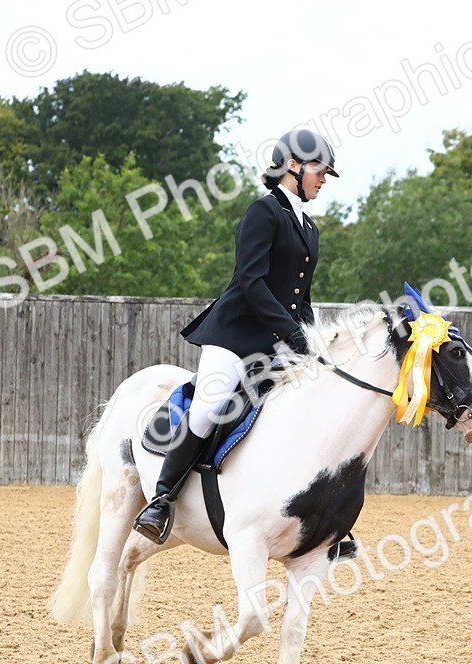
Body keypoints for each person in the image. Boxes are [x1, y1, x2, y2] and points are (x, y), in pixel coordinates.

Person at [132, 128, 340, 543]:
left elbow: (302, 296)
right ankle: (161, 499)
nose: (323, 179)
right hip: (235, 335)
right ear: (293, 167)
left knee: (313, 409)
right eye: (319, 170)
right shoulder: (262, 212)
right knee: (210, 407)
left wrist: (311, 338)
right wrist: (290, 333)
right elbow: (251, 281)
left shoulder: (310, 227)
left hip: (280, 340)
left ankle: (328, 517)